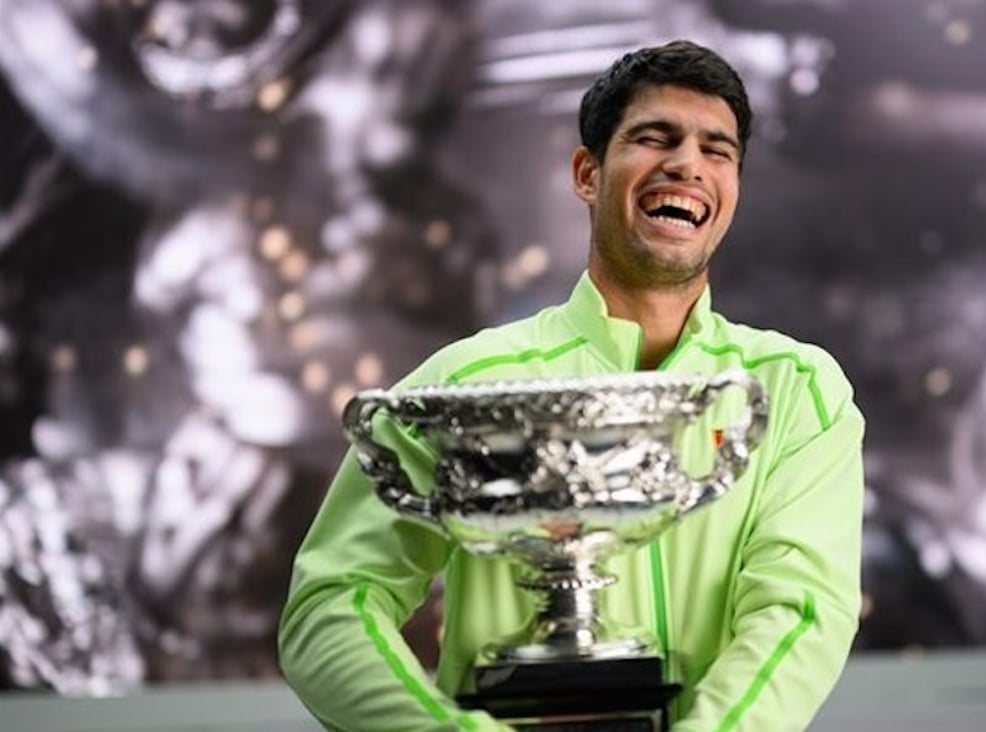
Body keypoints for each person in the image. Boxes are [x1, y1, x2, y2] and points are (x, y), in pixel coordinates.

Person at [279, 40, 866, 731]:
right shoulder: (468, 383)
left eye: (718, 150)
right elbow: (329, 603)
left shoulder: (793, 391)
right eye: (655, 138)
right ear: (587, 174)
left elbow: (799, 609)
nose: (687, 164)